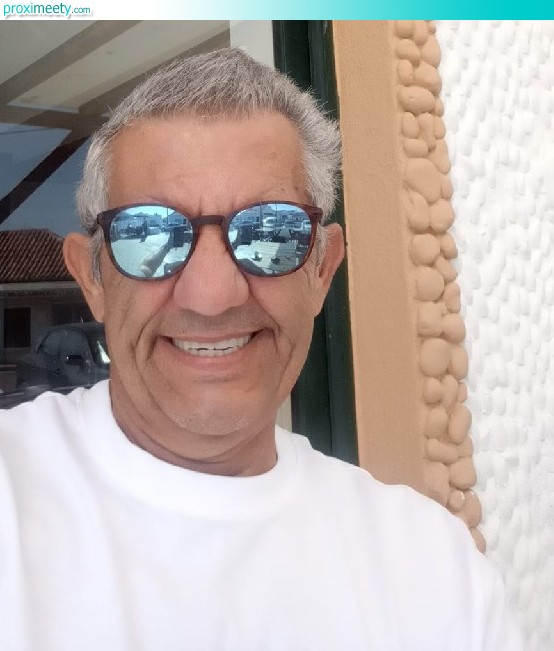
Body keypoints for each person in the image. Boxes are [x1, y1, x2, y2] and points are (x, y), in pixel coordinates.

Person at [0, 49, 523, 650]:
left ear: (322, 270)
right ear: (92, 279)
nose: (213, 296)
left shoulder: (433, 568)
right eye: (150, 232)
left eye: (271, 232)